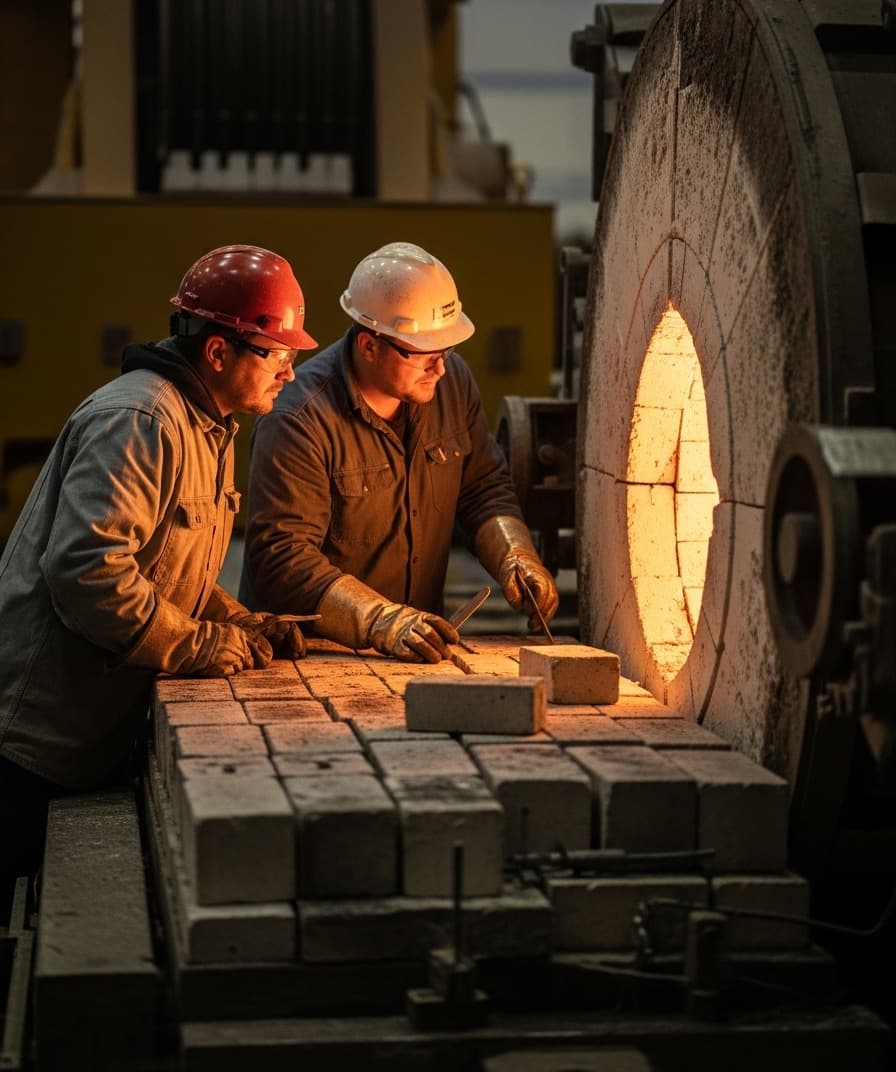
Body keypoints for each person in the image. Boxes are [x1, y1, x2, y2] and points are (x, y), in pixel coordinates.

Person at [0, 243, 317, 921]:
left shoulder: (211, 427)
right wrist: (195, 644)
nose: (290, 371)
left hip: (91, 735)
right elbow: (88, 570)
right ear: (218, 352)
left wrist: (233, 619)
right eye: (276, 351)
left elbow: (173, 567)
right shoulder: (140, 421)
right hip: (34, 745)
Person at [240, 240, 558, 663]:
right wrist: (380, 621)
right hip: (314, 657)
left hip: (418, 651)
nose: (440, 367)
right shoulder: (299, 417)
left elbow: (482, 489)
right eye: (424, 353)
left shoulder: (451, 384)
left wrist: (515, 555)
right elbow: (283, 558)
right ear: (370, 345)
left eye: (446, 350)